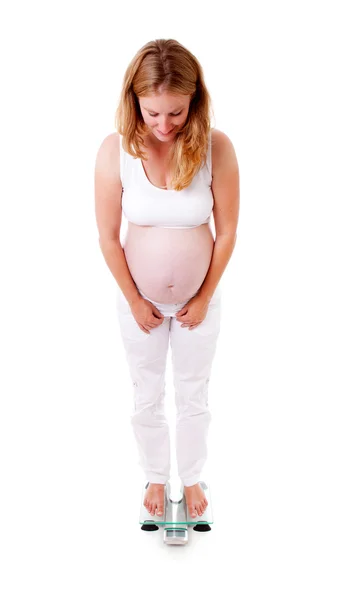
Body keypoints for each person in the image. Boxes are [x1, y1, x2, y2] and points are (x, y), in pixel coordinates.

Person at [94, 39, 240, 520]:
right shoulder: (115, 151)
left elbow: (227, 232)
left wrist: (204, 296)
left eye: (175, 113)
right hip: (141, 303)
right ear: (134, 101)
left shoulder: (215, 147)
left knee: (194, 391)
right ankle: (156, 475)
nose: (163, 125)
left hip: (201, 301)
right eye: (152, 113)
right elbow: (109, 238)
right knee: (146, 391)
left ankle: (192, 475)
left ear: (194, 101)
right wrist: (135, 301)